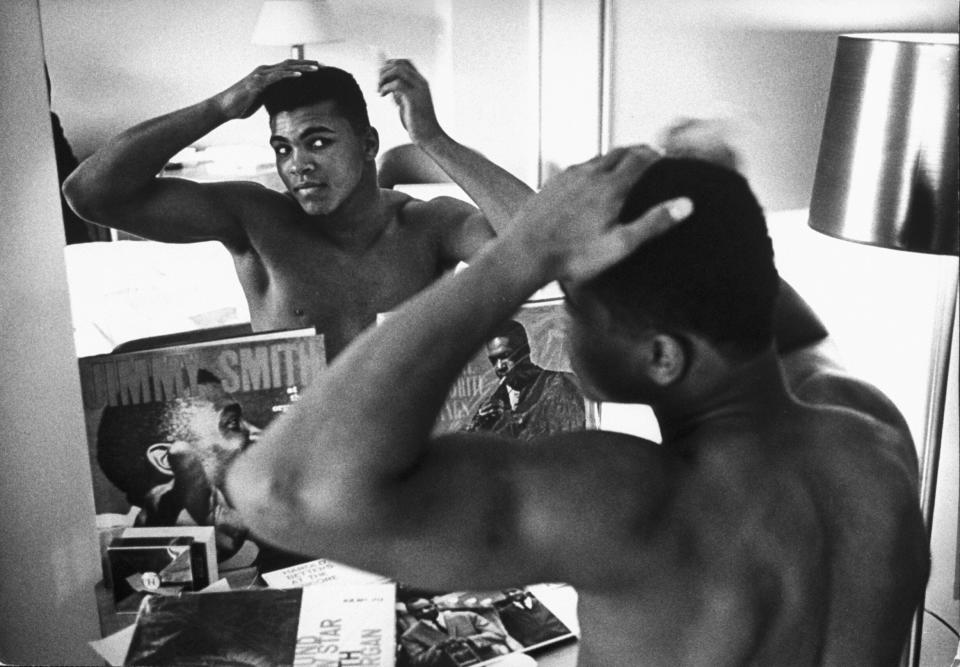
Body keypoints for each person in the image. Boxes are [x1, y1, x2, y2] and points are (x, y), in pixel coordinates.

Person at [227, 147, 929, 665]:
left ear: (661, 357)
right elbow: (746, 278)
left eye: (574, 304)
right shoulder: (871, 432)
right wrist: (696, 193)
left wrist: (523, 254)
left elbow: (282, 488)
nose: (561, 327)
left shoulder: (633, 498)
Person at [62, 59, 533, 360]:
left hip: (408, 460)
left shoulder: (429, 224)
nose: (299, 165)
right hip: (295, 471)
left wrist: (433, 139)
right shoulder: (254, 218)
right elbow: (90, 194)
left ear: (368, 143)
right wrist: (219, 107)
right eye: (283, 149)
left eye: (319, 142)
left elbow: (544, 240)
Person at [97, 368, 257, 560]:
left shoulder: (254, 548)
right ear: (166, 461)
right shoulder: (102, 549)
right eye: (232, 423)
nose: (260, 434)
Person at [463, 319, 586, 439]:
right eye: (493, 360)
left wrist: (507, 421)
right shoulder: (494, 403)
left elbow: (566, 437)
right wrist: (481, 426)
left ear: (525, 351)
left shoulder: (561, 383)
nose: (499, 366)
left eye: (505, 356)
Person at [400, 597, 517, 666]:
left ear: (434, 605)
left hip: (492, 663)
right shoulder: (410, 635)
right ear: (412, 614)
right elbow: (418, 662)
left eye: (427, 607)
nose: (424, 612)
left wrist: (469, 640)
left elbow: (498, 634)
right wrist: (437, 648)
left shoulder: (467, 616)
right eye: (418, 611)